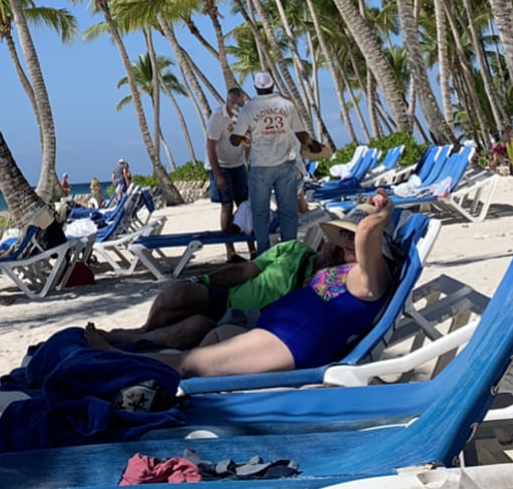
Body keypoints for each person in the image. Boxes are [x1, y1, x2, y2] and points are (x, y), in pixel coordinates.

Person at [152, 189, 400, 378]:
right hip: (276, 331)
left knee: (186, 362)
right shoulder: (349, 269)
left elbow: (366, 230)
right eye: (344, 234)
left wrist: (383, 213)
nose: (347, 240)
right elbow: (362, 233)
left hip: (292, 343)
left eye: (352, 236)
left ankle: (119, 361)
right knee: (216, 337)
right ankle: (196, 388)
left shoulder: (372, 278)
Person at [85, 233, 322, 352]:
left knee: (196, 327)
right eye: (338, 237)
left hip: (251, 323)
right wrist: (204, 278)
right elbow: (246, 271)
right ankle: (143, 330)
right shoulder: (294, 249)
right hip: (229, 296)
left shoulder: (328, 285)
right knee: (181, 292)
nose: (337, 246)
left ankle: (126, 341)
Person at [236, 69, 327, 246]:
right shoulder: (287, 105)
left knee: (260, 213)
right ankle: (289, 251)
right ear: (273, 85)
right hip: (285, 164)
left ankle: (263, 252)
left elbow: (234, 139)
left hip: (261, 166)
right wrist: (313, 144)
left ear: (255, 87)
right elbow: (301, 134)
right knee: (288, 212)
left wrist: (237, 136)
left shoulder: (249, 108)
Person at [204, 85, 251, 260]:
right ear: (229, 101)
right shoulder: (217, 117)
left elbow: (247, 144)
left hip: (238, 164)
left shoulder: (244, 117)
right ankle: (230, 250)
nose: (237, 107)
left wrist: (249, 166)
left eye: (241, 103)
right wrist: (218, 175)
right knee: (227, 205)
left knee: (244, 204)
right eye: (235, 103)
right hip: (221, 164)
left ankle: (251, 247)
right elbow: (211, 148)